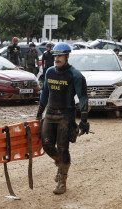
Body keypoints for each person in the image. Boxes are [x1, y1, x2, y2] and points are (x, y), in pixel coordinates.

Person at [36, 43, 90, 195]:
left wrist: (84, 120)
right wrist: (39, 113)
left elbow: (83, 98)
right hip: (50, 114)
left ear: (67, 56)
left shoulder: (76, 75)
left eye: (60, 56)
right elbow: (44, 93)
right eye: (55, 56)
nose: (57, 59)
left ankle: (62, 181)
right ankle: (61, 165)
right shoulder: (49, 72)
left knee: (63, 148)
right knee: (46, 145)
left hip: (66, 115)